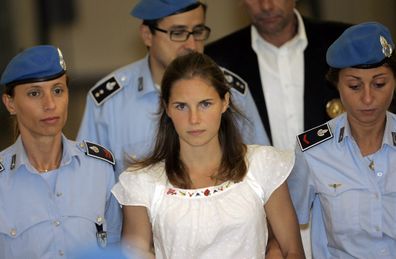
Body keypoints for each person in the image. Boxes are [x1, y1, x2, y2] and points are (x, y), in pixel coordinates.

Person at [111, 52, 305, 258]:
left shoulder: (264, 164)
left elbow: (292, 250)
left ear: (225, 102)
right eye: (181, 106)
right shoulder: (141, 182)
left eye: (205, 104)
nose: (194, 119)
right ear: (167, 108)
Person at [77, 0, 269, 178]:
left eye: (198, 31)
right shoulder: (110, 101)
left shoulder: (230, 90)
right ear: (147, 35)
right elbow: (90, 180)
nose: (192, 45)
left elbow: (260, 167)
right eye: (178, 33)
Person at [0, 45, 122, 259]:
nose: (50, 104)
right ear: (10, 103)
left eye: (57, 90)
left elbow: (115, 246)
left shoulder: (100, 168)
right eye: (34, 93)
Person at [288, 22, 396, 258]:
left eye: (379, 84)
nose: (368, 98)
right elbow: (285, 227)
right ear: (337, 85)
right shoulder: (313, 152)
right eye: (354, 86)